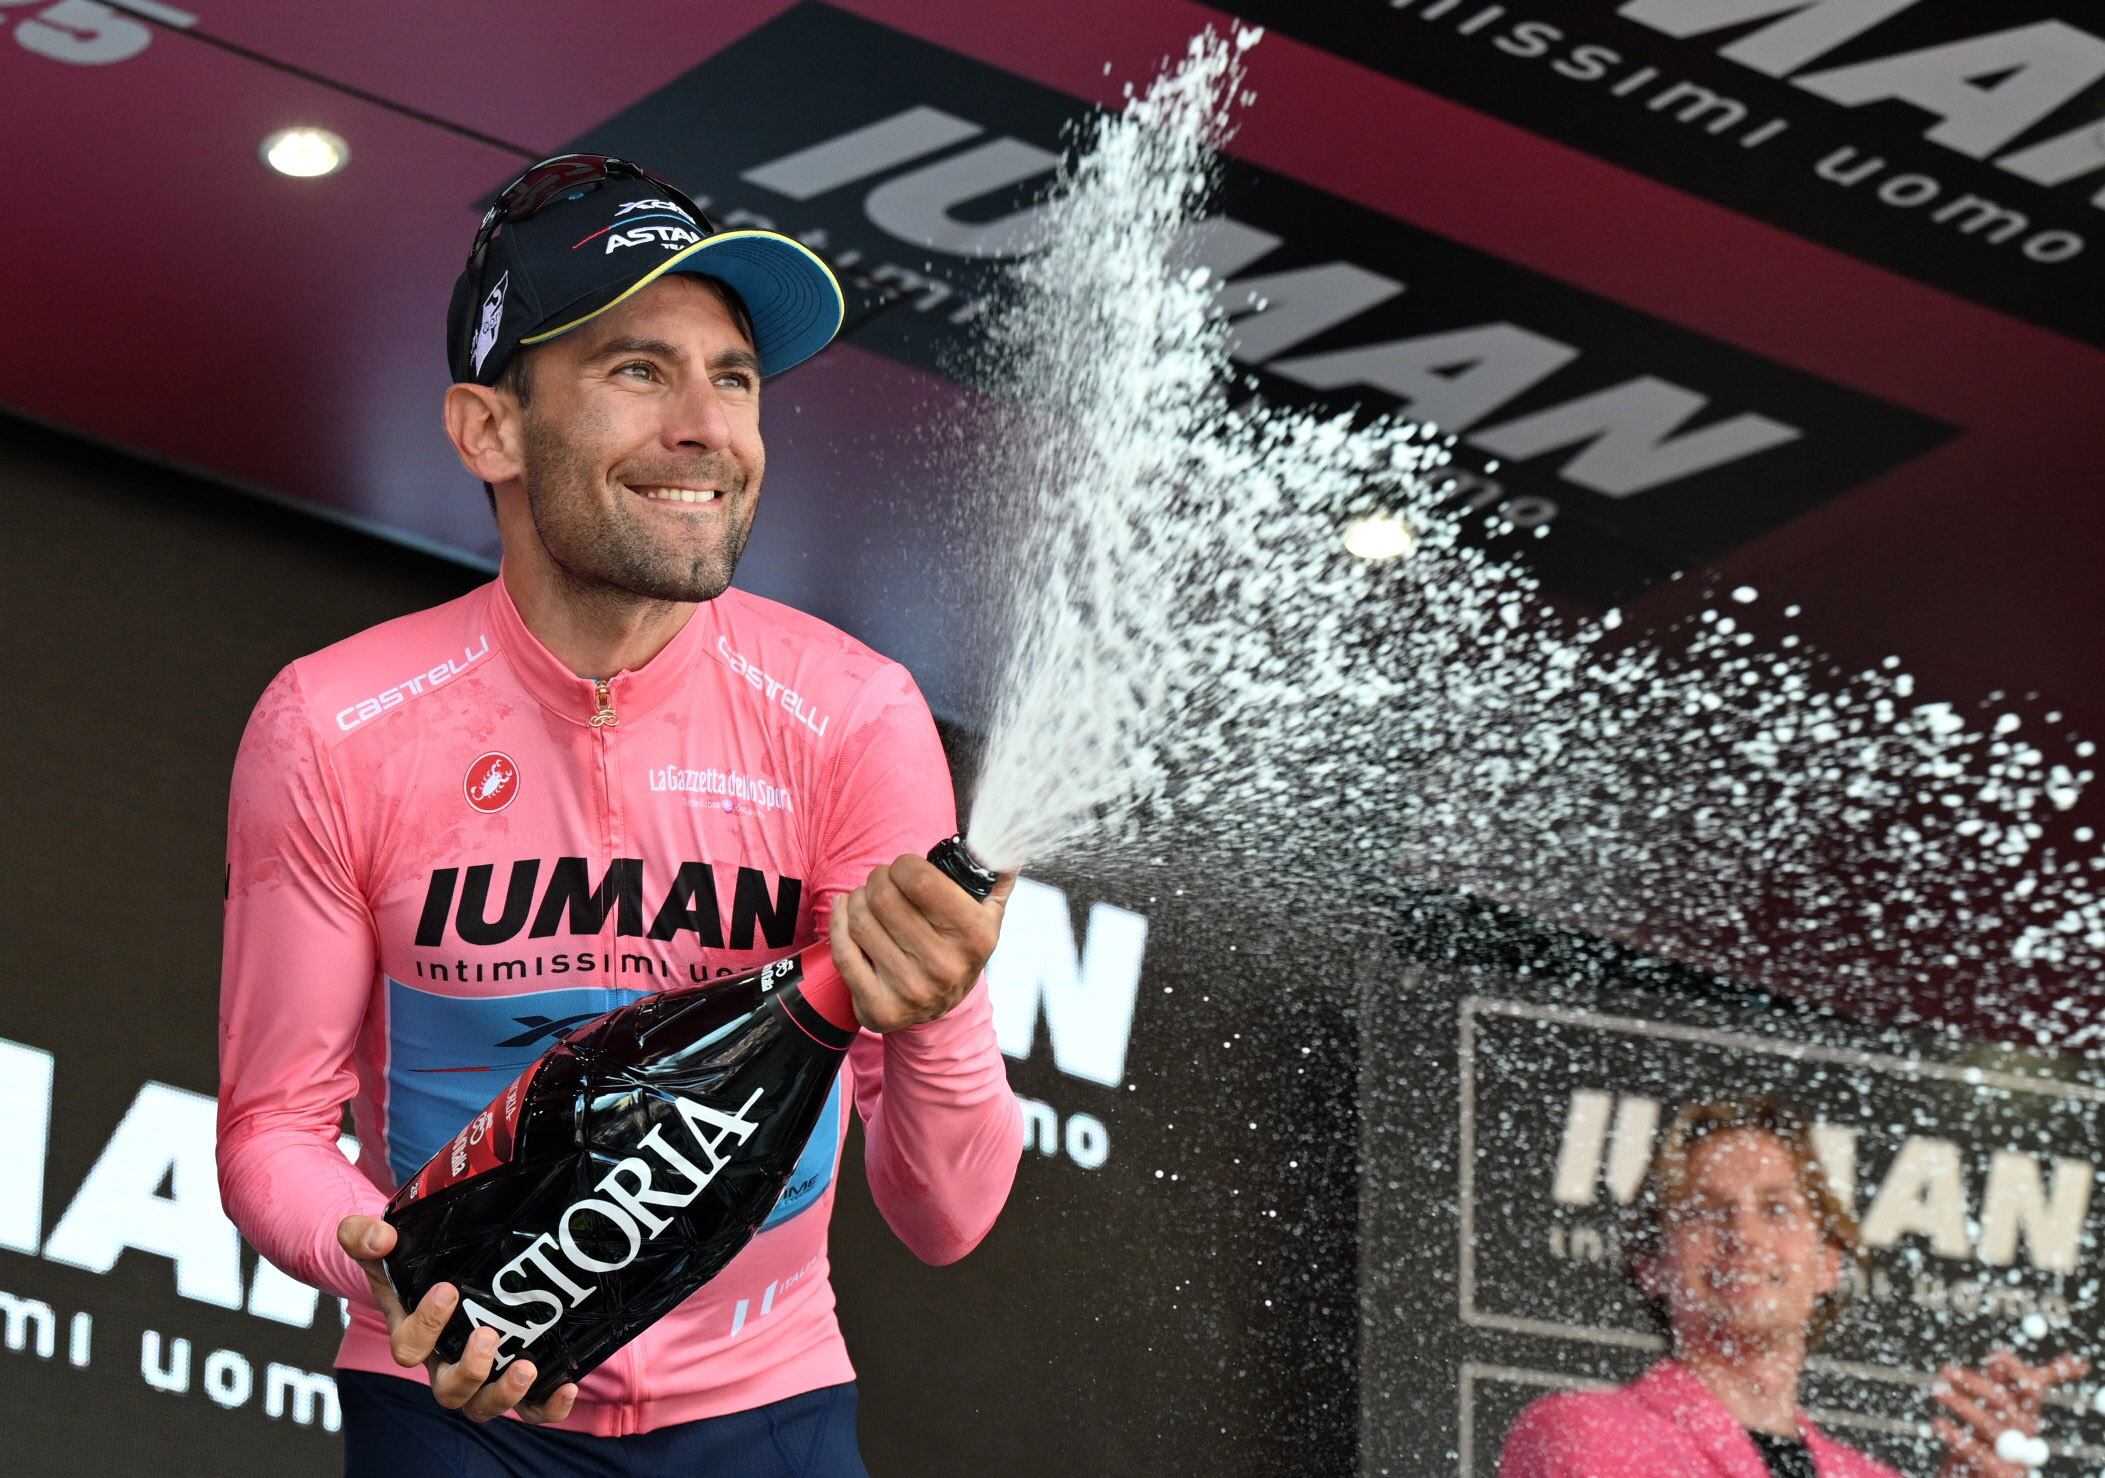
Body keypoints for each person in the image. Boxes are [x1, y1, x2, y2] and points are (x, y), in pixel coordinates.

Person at [217, 154, 1024, 1474]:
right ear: (488, 429)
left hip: (767, 1409)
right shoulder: (333, 723)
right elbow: (272, 1131)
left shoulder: (855, 717)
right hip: (454, 1402)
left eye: (736, 377)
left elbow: (946, 1216)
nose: (707, 426)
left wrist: (935, 1017)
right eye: (638, 370)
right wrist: (393, 1274)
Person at [1500, 1097, 2086, 1478]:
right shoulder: (1583, 1434)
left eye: (1777, 1209)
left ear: (1828, 1263)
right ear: (1653, 1266)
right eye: (1705, 1212)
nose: (1743, 1235)